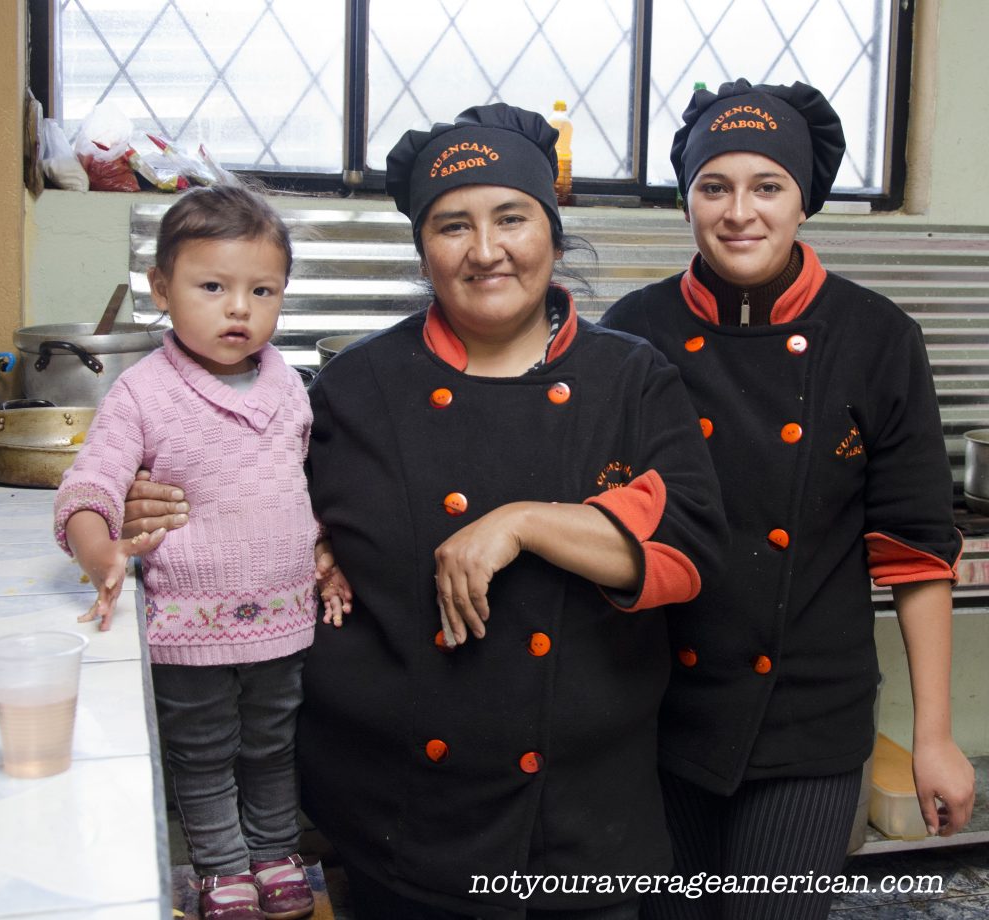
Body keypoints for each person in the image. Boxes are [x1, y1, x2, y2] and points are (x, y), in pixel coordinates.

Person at [127, 103, 728, 919]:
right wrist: (158, 494)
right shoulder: (358, 386)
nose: (485, 251)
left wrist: (521, 520)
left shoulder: (632, 379)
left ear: (550, 228)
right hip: (399, 819)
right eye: (453, 227)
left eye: (511, 217)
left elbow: (687, 552)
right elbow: (256, 500)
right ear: (422, 249)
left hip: (587, 826)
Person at [598, 79, 976, 919]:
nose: (740, 212)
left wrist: (935, 736)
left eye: (767, 186)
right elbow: (591, 518)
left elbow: (916, 551)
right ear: (687, 200)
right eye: (714, 187)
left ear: (804, 201)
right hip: (658, 711)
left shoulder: (878, 339)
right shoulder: (633, 332)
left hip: (809, 714)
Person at [53, 182, 348, 920]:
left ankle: (277, 851)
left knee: (274, 742)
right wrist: (102, 553)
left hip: (284, 617)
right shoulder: (142, 394)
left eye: (262, 289)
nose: (239, 308)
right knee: (206, 749)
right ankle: (221, 867)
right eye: (212, 286)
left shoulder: (291, 386)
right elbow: (88, 487)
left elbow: (301, 488)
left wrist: (326, 550)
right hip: (190, 626)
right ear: (161, 288)